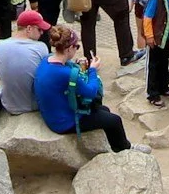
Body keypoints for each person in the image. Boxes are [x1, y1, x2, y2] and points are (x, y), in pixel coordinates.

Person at [34, 24, 132, 152]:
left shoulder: (46, 60)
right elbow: (91, 91)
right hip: (64, 122)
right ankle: (125, 150)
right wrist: (92, 70)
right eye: (76, 47)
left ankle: (111, 144)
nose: (77, 50)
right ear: (69, 49)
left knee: (104, 110)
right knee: (114, 121)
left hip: (53, 112)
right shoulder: (65, 74)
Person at [0, 9, 52, 114]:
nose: (42, 32)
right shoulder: (41, 47)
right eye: (39, 29)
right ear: (29, 28)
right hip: (32, 105)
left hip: (8, 104)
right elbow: (47, 78)